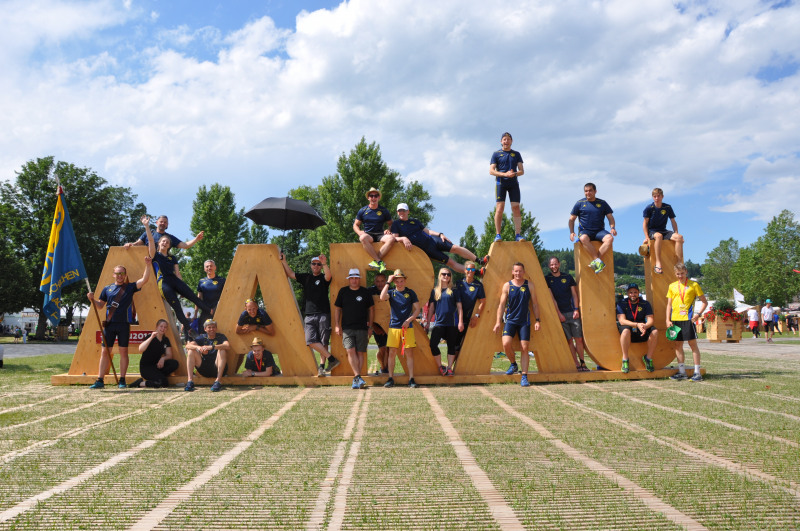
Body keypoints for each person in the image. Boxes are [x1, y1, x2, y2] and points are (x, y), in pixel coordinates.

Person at [87, 215, 154, 389]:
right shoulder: (107, 289)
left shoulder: (130, 287)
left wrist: (148, 265)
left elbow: (144, 280)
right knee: (105, 352)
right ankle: (100, 379)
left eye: (122, 273)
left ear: (125, 275)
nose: (119, 276)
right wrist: (92, 299)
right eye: (117, 273)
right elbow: (100, 306)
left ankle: (122, 379)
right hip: (109, 324)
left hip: (124, 324)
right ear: (113, 275)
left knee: (123, 352)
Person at [280, 253, 340, 376]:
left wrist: (325, 263)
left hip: (323, 313)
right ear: (311, 265)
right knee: (310, 340)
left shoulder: (323, 277)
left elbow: (329, 276)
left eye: (318, 264)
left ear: (321, 266)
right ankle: (332, 359)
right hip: (309, 315)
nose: (316, 266)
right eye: (314, 264)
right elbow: (290, 274)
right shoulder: (306, 277)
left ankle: (321, 367)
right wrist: (284, 261)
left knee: (323, 341)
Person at [391, 203, 488, 274]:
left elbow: (427, 231)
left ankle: (479, 260)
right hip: (427, 251)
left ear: (408, 211)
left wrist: (440, 234)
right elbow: (394, 239)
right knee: (451, 262)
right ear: (397, 212)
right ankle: (476, 272)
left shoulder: (415, 221)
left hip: (432, 240)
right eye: (399, 211)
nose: (401, 212)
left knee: (455, 248)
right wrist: (403, 238)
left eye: (403, 210)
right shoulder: (396, 224)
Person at [152, 233, 213, 341]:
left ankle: (211, 312)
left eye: (167, 242)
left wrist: (182, 288)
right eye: (163, 241)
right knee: (177, 307)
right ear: (159, 243)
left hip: (174, 280)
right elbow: (150, 241)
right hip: (163, 283)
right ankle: (189, 330)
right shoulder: (155, 255)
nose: (165, 243)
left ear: (169, 246)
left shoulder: (172, 258)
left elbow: (178, 273)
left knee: (193, 297)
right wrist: (146, 226)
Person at [493, 262, 541, 387]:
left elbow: (535, 304)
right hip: (510, 320)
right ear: (512, 272)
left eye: (520, 271)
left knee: (524, 347)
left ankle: (524, 376)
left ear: (523, 272)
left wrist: (537, 320)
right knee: (506, 343)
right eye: (516, 271)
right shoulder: (507, 285)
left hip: (524, 321)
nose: (518, 273)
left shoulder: (529, 285)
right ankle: (513, 364)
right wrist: (498, 322)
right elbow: (501, 305)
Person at [545, 256, 588, 371]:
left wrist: (576, 309)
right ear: (549, 266)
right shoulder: (547, 279)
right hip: (560, 315)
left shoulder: (568, 277)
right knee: (569, 341)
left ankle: (583, 363)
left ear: (559, 264)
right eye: (551, 264)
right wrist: (559, 314)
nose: (554, 266)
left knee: (579, 339)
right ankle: (576, 364)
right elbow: (552, 299)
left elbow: (574, 294)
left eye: (555, 264)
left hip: (572, 313)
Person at [380, 269, 422, 388]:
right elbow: (382, 297)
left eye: (401, 281)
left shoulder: (410, 292)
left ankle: (411, 379)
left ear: (405, 281)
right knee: (392, 352)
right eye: (397, 281)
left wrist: (409, 320)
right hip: (394, 326)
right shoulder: (391, 292)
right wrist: (388, 282)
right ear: (394, 282)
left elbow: (417, 309)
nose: (399, 283)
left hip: (407, 327)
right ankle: (390, 378)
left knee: (409, 353)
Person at [333, 268, 375, 389]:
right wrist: (337, 325)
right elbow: (337, 309)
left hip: (362, 327)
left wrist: (370, 326)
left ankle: (357, 379)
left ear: (359, 279)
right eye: (352, 278)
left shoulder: (365, 292)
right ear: (349, 279)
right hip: (347, 328)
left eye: (356, 278)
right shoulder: (343, 291)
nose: (354, 280)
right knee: (350, 351)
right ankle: (357, 376)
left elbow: (371, 310)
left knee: (360, 352)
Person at [666, 263, 708, 381]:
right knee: (677, 345)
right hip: (675, 320)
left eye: (682, 273)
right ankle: (682, 372)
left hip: (688, 319)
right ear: (675, 274)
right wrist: (667, 319)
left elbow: (705, 302)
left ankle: (697, 373)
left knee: (692, 345)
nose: (680, 276)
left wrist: (698, 314)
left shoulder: (694, 285)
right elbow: (669, 305)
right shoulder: (672, 286)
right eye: (678, 274)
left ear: (686, 272)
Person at [569, 183, 616, 274]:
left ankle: (597, 262)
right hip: (585, 231)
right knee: (583, 238)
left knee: (610, 238)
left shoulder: (602, 203)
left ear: (595, 191)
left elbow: (610, 217)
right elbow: (571, 219)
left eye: (590, 190)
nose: (588, 193)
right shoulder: (579, 203)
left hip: (599, 231)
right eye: (586, 191)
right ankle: (598, 261)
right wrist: (571, 232)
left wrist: (613, 228)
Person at [424, 267, 463, 376]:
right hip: (439, 323)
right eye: (444, 274)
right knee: (433, 344)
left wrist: (460, 322)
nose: (446, 276)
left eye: (448, 274)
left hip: (452, 323)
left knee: (451, 346)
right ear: (440, 276)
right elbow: (431, 308)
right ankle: (440, 367)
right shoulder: (434, 291)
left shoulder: (454, 291)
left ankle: (449, 368)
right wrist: (428, 322)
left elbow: (460, 307)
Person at [490, 132, 525, 242]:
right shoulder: (496, 154)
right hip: (501, 183)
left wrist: (514, 173)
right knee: (500, 208)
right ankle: (498, 235)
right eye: (504, 139)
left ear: (511, 141)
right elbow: (491, 171)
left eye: (508, 139)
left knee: (516, 208)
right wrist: (505, 174)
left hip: (513, 183)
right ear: (501, 141)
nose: (506, 141)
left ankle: (518, 234)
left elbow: (522, 171)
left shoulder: (516, 154)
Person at [616, 283, 657, 373]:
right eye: (631, 292)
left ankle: (648, 358)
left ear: (638, 293)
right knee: (625, 330)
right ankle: (625, 359)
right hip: (629, 326)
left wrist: (645, 326)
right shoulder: (622, 303)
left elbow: (650, 319)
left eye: (635, 292)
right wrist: (636, 324)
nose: (633, 294)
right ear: (627, 293)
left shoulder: (645, 303)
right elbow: (622, 321)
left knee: (655, 331)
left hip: (641, 327)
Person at [642, 188, 684, 274]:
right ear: (653, 197)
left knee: (679, 237)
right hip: (652, 231)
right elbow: (645, 223)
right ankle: (658, 263)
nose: (657, 198)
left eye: (658, 196)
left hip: (663, 230)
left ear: (662, 196)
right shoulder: (649, 208)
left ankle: (679, 264)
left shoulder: (667, 207)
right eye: (655, 196)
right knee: (659, 236)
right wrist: (646, 237)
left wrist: (676, 233)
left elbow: (673, 221)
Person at [354, 188, 395, 273]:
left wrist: (389, 229)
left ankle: (376, 261)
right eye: (371, 196)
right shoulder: (363, 210)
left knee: (391, 238)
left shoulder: (384, 210)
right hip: (369, 235)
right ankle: (379, 261)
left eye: (375, 196)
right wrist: (359, 232)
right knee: (362, 238)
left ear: (379, 197)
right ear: (368, 198)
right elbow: (355, 225)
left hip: (380, 234)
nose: (373, 198)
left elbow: (391, 223)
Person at [129, 319, 179, 388]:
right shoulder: (150, 336)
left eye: (165, 327)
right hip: (146, 367)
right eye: (161, 326)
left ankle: (159, 377)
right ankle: (140, 383)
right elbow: (140, 349)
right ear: (157, 327)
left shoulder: (166, 340)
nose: (163, 328)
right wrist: (151, 337)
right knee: (163, 383)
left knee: (174, 363)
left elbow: (169, 355)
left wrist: (163, 358)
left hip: (157, 366)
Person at [185, 319, 230, 392]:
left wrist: (212, 347)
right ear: (205, 329)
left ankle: (218, 381)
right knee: (191, 351)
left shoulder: (221, 336)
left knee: (222, 350)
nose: (211, 329)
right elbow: (187, 346)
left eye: (213, 327)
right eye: (209, 327)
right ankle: (190, 381)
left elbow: (227, 346)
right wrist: (199, 348)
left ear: (216, 328)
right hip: (205, 368)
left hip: (217, 367)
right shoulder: (202, 337)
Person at [455, 261, 486, 360]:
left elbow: (483, 302)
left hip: (468, 319)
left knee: (464, 345)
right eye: (468, 269)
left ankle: (458, 366)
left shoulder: (478, 285)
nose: (470, 271)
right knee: (454, 343)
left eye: (473, 269)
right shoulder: (459, 283)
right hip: (456, 317)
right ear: (465, 270)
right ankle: (451, 365)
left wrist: (476, 316)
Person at [124, 214, 203, 250]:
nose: (163, 223)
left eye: (165, 222)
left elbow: (185, 245)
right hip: (148, 262)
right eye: (161, 221)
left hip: (162, 264)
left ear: (167, 224)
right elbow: (137, 244)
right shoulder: (149, 233)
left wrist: (196, 239)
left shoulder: (169, 238)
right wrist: (130, 244)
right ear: (157, 223)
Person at [368, 272, 390, 375]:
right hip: (376, 325)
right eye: (377, 281)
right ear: (374, 282)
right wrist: (373, 326)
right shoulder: (370, 292)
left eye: (382, 281)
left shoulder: (391, 290)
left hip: (389, 323)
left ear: (386, 281)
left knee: (389, 349)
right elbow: (368, 310)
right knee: (382, 349)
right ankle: (383, 366)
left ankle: (386, 369)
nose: (380, 283)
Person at [195, 259, 226, 328]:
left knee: (221, 329)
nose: (209, 268)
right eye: (207, 266)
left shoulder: (222, 280)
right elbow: (198, 298)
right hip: (206, 311)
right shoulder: (201, 281)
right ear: (204, 269)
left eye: (211, 266)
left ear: (215, 267)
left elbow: (226, 296)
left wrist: (217, 307)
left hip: (219, 311)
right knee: (203, 331)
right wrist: (195, 313)